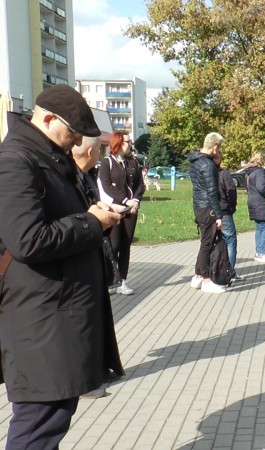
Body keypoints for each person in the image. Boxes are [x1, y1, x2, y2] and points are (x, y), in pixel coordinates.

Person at [0, 84, 124, 448]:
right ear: (48, 118)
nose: (74, 142)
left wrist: (98, 214)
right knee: (40, 422)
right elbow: (28, 240)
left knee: (51, 418)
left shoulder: (48, 158)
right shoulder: (15, 162)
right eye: (71, 132)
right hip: (40, 318)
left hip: (57, 313)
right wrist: (92, 222)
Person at [72, 136, 127, 399]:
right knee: (82, 321)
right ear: (92, 151)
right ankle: (84, 378)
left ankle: (102, 365)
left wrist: (101, 209)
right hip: (74, 260)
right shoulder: (68, 176)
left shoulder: (84, 175)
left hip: (91, 252)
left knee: (98, 313)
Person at [98, 132, 144, 295]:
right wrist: (125, 200)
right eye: (126, 142)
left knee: (125, 245)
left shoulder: (133, 162)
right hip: (115, 209)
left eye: (130, 142)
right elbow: (106, 185)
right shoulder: (107, 163)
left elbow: (140, 184)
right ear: (117, 143)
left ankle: (122, 281)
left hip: (131, 210)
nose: (130, 144)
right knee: (114, 244)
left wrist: (136, 201)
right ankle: (110, 279)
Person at [188, 132, 227, 293]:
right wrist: (218, 215)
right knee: (207, 244)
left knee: (205, 241)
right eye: (219, 148)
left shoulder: (195, 161)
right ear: (215, 147)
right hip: (208, 208)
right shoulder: (208, 165)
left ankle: (197, 276)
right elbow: (212, 191)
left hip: (199, 205)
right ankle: (206, 280)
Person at [213, 149, 243, 281]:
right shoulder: (223, 174)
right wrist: (231, 206)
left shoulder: (204, 173)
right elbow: (231, 190)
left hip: (208, 212)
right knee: (230, 241)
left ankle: (211, 272)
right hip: (223, 211)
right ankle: (229, 272)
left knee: (211, 242)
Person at [242, 152, 265, 263]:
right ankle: (262, 252)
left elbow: (248, 188)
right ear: (261, 160)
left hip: (252, 201)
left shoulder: (249, 172)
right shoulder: (260, 172)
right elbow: (261, 188)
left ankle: (258, 251)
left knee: (259, 227)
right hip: (262, 203)